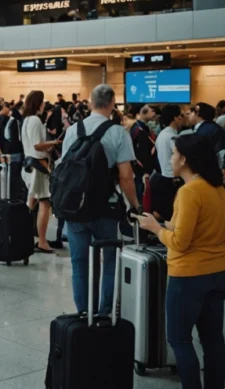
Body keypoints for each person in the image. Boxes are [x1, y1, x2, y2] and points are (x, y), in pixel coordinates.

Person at [139, 136, 225, 389]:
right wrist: (163, 222)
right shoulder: (219, 189)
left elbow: (180, 242)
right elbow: (196, 229)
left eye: (174, 153)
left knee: (179, 338)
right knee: (213, 339)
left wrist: (154, 228)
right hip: (217, 272)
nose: (171, 158)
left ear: (185, 159)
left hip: (187, 275)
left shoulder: (189, 192)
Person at [59, 84, 141, 315]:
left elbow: (65, 168)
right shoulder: (118, 132)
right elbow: (126, 176)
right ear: (112, 104)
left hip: (76, 206)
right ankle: (105, 313)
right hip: (106, 207)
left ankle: (84, 312)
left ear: (90, 102)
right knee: (110, 261)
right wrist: (135, 205)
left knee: (79, 263)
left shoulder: (74, 130)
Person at [19, 91, 59, 253]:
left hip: (30, 165)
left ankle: (24, 236)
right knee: (45, 203)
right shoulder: (35, 120)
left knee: (31, 203)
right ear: (38, 103)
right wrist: (54, 142)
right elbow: (37, 145)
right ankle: (42, 241)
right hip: (39, 166)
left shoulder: (26, 120)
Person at [150, 105, 185, 222]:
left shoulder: (162, 134)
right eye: (180, 115)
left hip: (162, 177)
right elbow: (179, 157)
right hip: (171, 179)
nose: (182, 118)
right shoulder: (172, 136)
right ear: (175, 118)